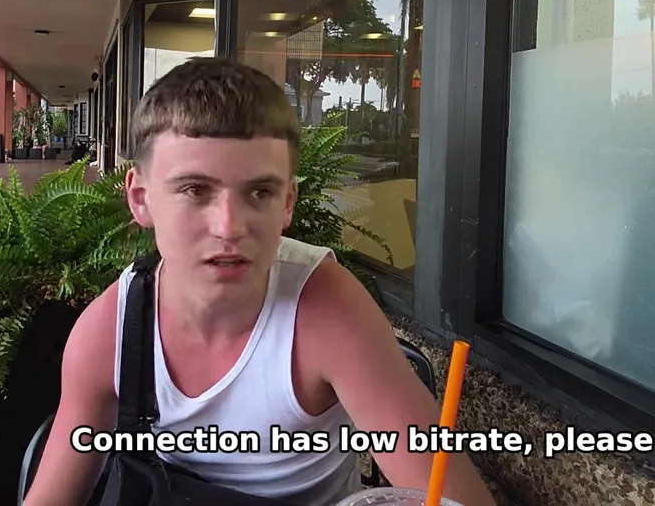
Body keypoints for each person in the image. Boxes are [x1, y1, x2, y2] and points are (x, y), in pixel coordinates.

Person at [24, 58, 495, 506]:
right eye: (195, 190)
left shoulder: (327, 313)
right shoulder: (112, 331)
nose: (229, 227)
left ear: (287, 202)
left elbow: (452, 496)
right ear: (141, 199)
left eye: (259, 192)